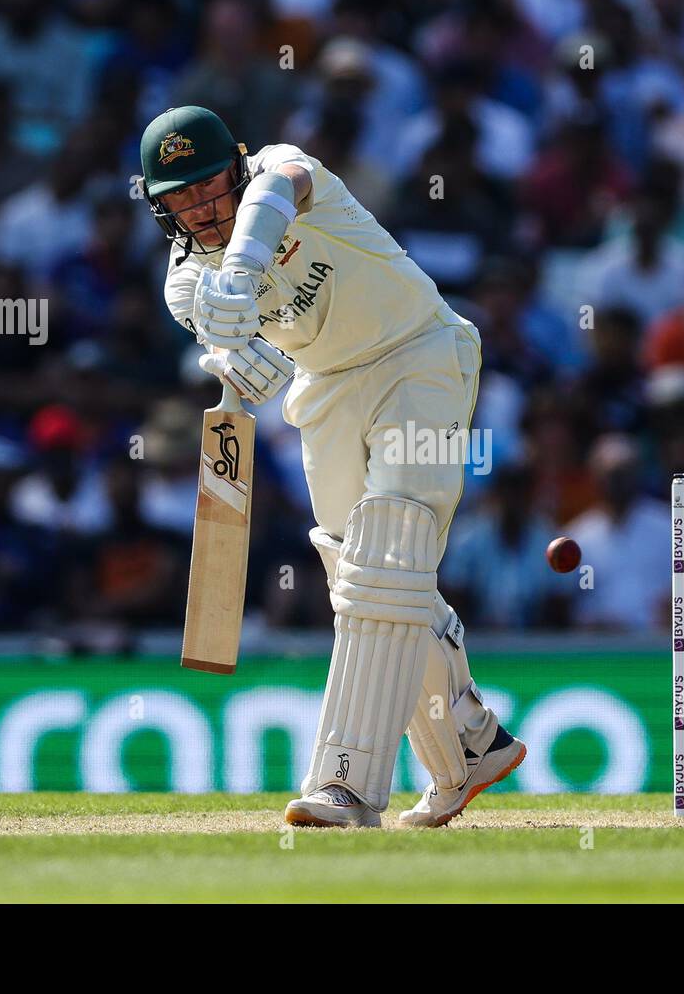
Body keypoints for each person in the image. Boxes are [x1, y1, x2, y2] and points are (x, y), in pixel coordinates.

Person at [138, 106, 525, 828]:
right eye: (179, 197)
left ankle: (345, 786)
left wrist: (246, 268)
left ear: (237, 166)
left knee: (391, 545)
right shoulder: (184, 280)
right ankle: (469, 742)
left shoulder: (287, 170)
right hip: (327, 388)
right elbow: (225, 337)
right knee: (364, 577)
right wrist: (228, 349)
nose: (200, 206)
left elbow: (279, 189)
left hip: (422, 353)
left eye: (209, 184)